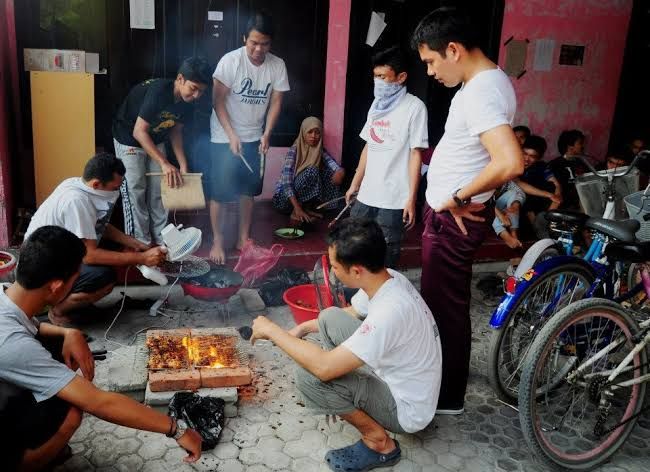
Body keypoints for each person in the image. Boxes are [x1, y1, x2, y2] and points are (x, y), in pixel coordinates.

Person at [0, 226, 202, 471]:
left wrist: (69, 332)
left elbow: (30, 327)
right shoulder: (12, 344)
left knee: (55, 349)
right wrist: (176, 429)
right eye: (76, 277)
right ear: (55, 286)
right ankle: (25, 461)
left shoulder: (7, 295)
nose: (79, 280)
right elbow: (100, 403)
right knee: (73, 409)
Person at [249, 218, 441, 471]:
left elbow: (323, 368)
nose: (333, 272)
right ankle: (345, 396)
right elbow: (350, 313)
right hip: (403, 380)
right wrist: (302, 328)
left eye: (336, 267)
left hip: (406, 410)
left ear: (357, 270)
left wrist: (272, 330)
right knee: (329, 316)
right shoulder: (388, 278)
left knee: (310, 377)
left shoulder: (389, 312)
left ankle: (379, 442)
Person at [411, 7, 524, 414]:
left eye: (431, 61)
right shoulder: (486, 84)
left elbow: (510, 162)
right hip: (450, 216)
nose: (431, 72)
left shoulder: (481, 90)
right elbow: (485, 160)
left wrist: (459, 197)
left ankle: (445, 396)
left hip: (450, 220)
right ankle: (444, 385)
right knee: (443, 303)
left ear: (453, 50)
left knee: (444, 308)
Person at [24, 153, 167, 325]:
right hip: (42, 269)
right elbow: (89, 256)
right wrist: (142, 258)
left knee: (113, 254)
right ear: (97, 184)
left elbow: (99, 225)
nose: (118, 192)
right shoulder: (77, 200)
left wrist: (135, 243)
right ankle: (58, 311)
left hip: (57, 256)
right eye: (115, 188)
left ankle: (76, 303)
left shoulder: (78, 184)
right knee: (103, 277)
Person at [208, 10, 290, 263]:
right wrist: (231, 135)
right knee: (220, 191)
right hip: (224, 136)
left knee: (247, 191)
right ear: (245, 38)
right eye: (254, 42)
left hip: (254, 136)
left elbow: (276, 102)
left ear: (271, 43)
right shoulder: (230, 62)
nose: (258, 49)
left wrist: (266, 133)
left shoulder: (277, 65)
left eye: (264, 44)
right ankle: (218, 242)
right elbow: (217, 101)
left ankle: (243, 238)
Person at [112, 56, 212, 245]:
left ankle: (162, 239)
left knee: (161, 187)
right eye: (194, 88)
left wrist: (182, 164)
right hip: (129, 137)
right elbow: (139, 132)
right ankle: (140, 244)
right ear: (180, 79)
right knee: (135, 189)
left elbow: (175, 131)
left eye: (202, 91)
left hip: (156, 136)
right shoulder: (159, 91)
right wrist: (165, 163)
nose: (197, 95)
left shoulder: (188, 101)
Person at [345, 46, 428, 268]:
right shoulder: (376, 106)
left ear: (401, 77)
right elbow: (368, 147)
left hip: (393, 200)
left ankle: (382, 300)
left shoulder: (415, 107)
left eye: (383, 77)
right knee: (355, 251)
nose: (378, 82)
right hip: (366, 196)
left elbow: (415, 154)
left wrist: (411, 198)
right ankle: (357, 300)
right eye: (375, 76)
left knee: (384, 258)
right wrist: (355, 183)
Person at [272, 116, 345, 223]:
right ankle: (296, 211)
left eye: (317, 132)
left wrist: (340, 172)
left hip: (298, 202)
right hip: (283, 201)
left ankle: (306, 208)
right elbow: (286, 183)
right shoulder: (294, 150)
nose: (313, 136)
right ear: (303, 132)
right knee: (312, 170)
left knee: (331, 173)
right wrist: (296, 208)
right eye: (309, 132)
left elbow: (334, 166)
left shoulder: (319, 150)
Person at [518, 135, 563, 237]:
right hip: (519, 200)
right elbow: (518, 184)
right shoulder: (513, 163)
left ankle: (546, 221)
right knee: (523, 191)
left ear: (539, 158)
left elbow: (556, 184)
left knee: (552, 186)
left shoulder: (541, 166)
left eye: (532, 156)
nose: (526, 159)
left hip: (537, 202)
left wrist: (557, 196)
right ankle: (537, 227)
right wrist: (548, 195)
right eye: (525, 153)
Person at [548, 129, 588, 211]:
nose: (583, 146)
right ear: (570, 146)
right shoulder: (555, 164)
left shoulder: (582, 163)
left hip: (580, 203)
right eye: (580, 143)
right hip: (563, 206)